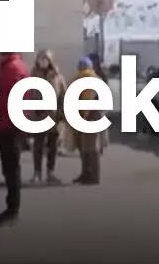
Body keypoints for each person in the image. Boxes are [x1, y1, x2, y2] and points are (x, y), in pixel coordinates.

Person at [0, 52, 29, 226]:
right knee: (11, 167)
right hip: (9, 123)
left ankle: (12, 210)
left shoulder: (12, 68)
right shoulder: (14, 66)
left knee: (11, 168)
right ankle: (12, 208)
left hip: (8, 124)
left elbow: (7, 98)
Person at [29, 50, 67, 185]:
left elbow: (63, 95)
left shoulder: (57, 76)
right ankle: (37, 173)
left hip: (53, 116)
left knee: (53, 146)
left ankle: (50, 172)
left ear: (50, 60)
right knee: (38, 146)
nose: (43, 61)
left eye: (45, 59)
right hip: (38, 115)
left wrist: (62, 114)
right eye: (41, 59)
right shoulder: (33, 75)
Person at [74, 57, 104, 185]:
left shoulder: (88, 79)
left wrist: (83, 116)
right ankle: (86, 174)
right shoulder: (91, 78)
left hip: (90, 115)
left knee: (90, 148)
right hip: (92, 115)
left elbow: (87, 100)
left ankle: (92, 176)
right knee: (86, 147)